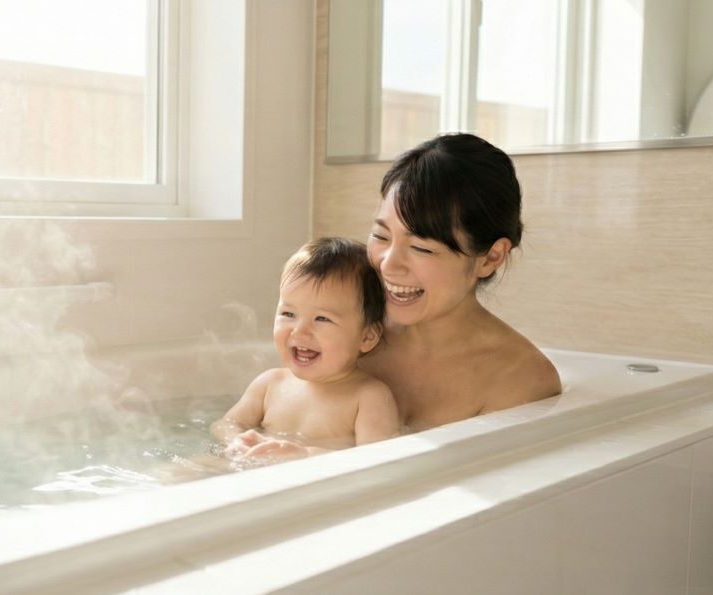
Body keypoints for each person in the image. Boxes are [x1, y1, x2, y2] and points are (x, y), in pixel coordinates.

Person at [359, 133, 562, 430]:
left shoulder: (520, 379)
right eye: (381, 236)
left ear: (490, 257)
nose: (388, 263)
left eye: (421, 248)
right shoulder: (345, 335)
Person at [210, 237, 401, 467]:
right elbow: (224, 424)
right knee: (182, 472)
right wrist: (237, 440)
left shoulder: (368, 397)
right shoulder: (270, 384)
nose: (299, 331)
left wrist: (305, 454)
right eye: (288, 314)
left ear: (367, 337)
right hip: (254, 470)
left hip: (314, 483)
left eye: (322, 318)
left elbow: (376, 462)